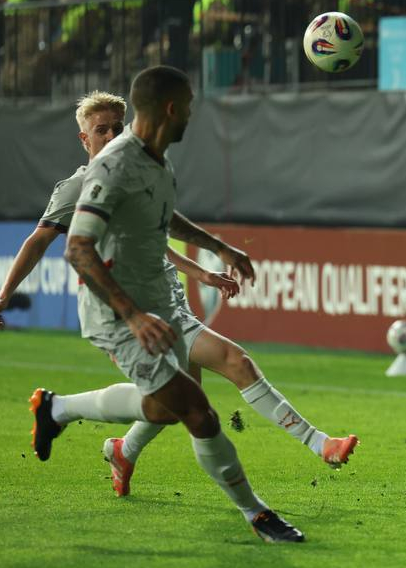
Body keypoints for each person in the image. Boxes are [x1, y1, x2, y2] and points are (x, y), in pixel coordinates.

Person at [29, 69, 327, 542]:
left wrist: (218, 248)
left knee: (165, 408)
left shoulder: (155, 162)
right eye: (187, 105)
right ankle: (257, 514)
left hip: (156, 303)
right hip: (117, 313)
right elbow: (78, 250)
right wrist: (132, 315)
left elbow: (164, 218)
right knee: (198, 411)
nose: (190, 114)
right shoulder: (111, 168)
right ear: (170, 109)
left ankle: (58, 409)